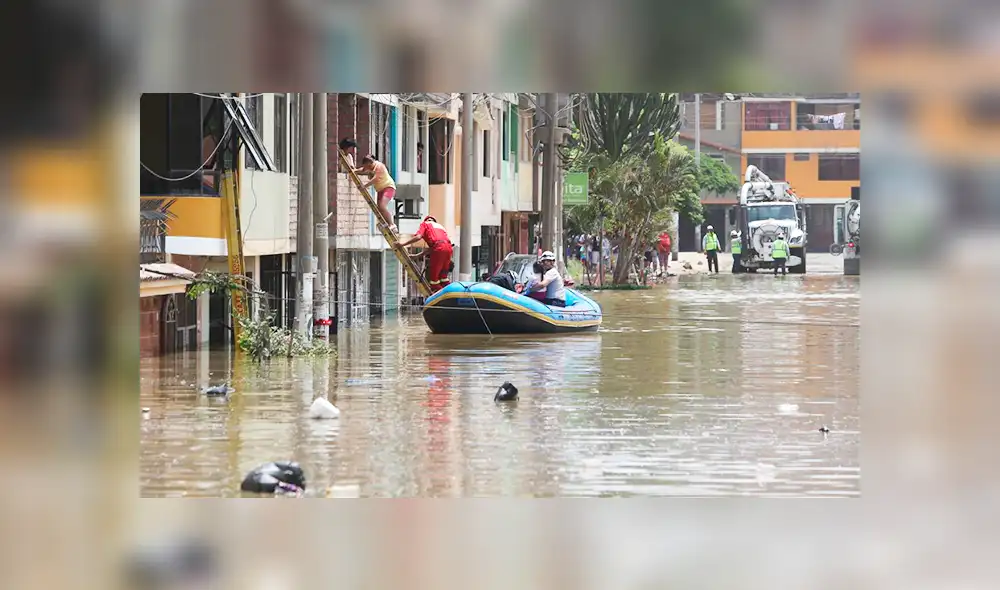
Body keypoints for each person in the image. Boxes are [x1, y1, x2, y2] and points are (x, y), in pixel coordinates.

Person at [399, 215, 453, 292]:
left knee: (434, 281)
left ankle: (442, 296)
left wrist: (402, 244)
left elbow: (418, 237)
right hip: (449, 248)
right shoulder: (441, 227)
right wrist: (417, 255)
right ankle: (452, 292)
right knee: (443, 278)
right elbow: (435, 246)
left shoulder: (425, 224)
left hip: (439, 249)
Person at [357, 154, 398, 233]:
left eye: (367, 166)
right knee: (379, 208)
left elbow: (376, 178)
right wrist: (354, 171)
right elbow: (362, 170)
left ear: (370, 163)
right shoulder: (370, 167)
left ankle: (392, 224)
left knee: (382, 206)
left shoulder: (379, 166)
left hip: (388, 187)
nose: (367, 168)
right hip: (380, 189)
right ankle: (385, 223)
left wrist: (364, 186)